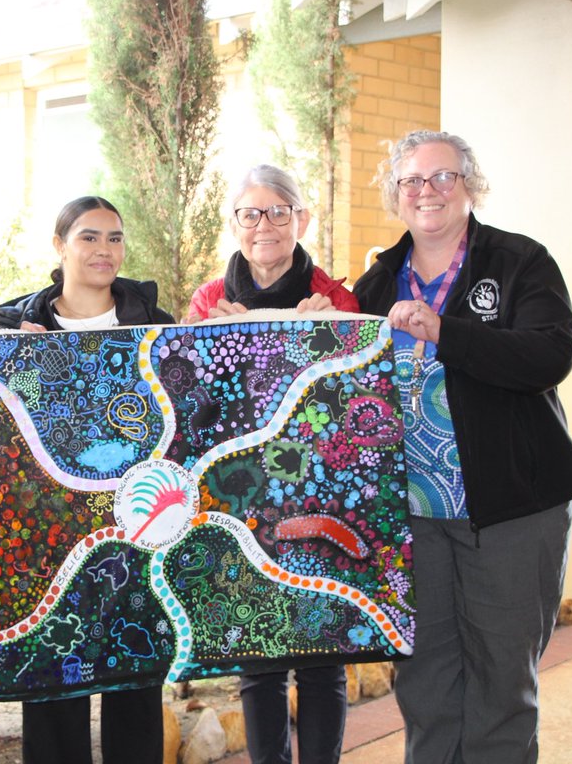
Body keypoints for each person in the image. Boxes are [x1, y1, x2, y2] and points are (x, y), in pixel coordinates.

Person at [353, 130, 572, 764]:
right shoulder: (376, 283)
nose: (427, 191)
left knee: (501, 681)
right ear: (395, 195)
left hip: (510, 509)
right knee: (425, 684)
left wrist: (447, 332)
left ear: (470, 186)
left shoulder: (520, 262)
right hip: (411, 518)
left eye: (443, 176)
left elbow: (550, 354)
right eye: (411, 180)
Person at [0, 195, 172, 764]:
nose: (104, 250)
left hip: (133, 528)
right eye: (89, 237)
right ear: (59, 245)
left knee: (134, 684)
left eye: (114, 238)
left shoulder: (156, 326)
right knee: (52, 684)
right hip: (50, 533)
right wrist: (18, 365)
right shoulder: (13, 330)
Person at [186, 164, 358, 764]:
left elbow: (346, 403)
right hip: (242, 494)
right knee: (257, 656)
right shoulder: (209, 301)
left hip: (318, 492)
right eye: (250, 213)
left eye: (279, 212)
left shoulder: (333, 297)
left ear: (300, 220)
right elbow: (194, 407)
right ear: (234, 224)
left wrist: (326, 332)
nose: (265, 225)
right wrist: (211, 347)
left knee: (321, 657)